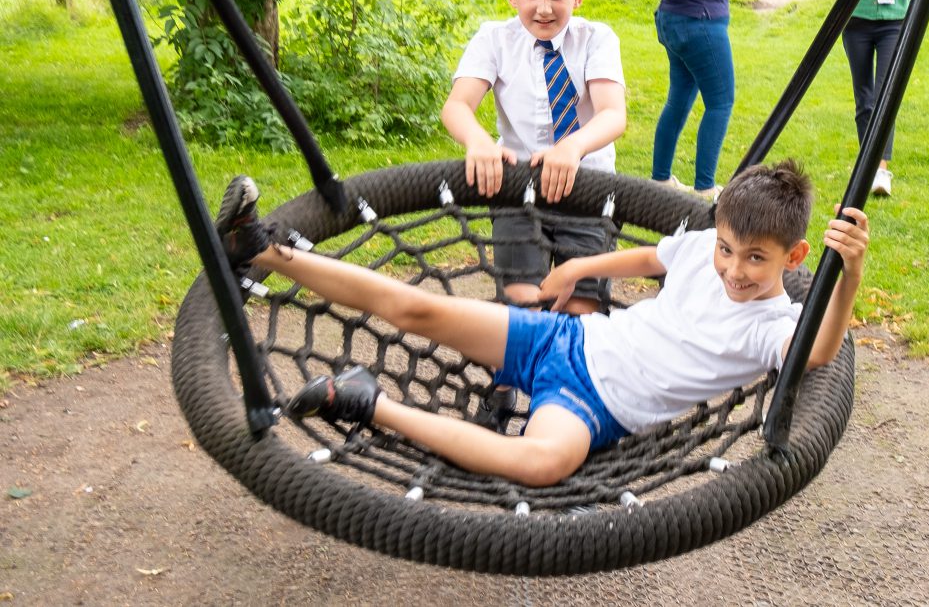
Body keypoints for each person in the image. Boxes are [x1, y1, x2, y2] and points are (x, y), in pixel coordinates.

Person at [214, 160, 870, 487]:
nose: (733, 268)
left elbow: (817, 350)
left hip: (590, 403)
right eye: (728, 248)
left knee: (542, 461)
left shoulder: (772, 323)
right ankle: (263, 248)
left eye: (756, 259)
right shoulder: (705, 249)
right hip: (567, 338)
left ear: (795, 257)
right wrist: (575, 268)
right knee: (416, 308)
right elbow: (651, 255)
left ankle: (370, 402)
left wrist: (849, 278)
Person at [441, 0, 626, 315]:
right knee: (522, 302)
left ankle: (570, 370)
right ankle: (516, 372)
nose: (544, 8)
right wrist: (477, 140)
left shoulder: (597, 39)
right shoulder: (495, 39)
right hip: (517, 186)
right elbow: (458, 105)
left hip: (587, 187)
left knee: (582, 307)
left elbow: (612, 113)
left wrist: (571, 147)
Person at [650, 0, 750, 201]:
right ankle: (705, 187)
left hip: (676, 17)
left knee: (678, 100)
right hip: (699, 23)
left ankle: (660, 179)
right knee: (720, 102)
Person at [839, 0, 917, 197]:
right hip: (856, 23)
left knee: (885, 94)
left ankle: (880, 170)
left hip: (893, 24)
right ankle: (868, 167)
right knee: (864, 99)